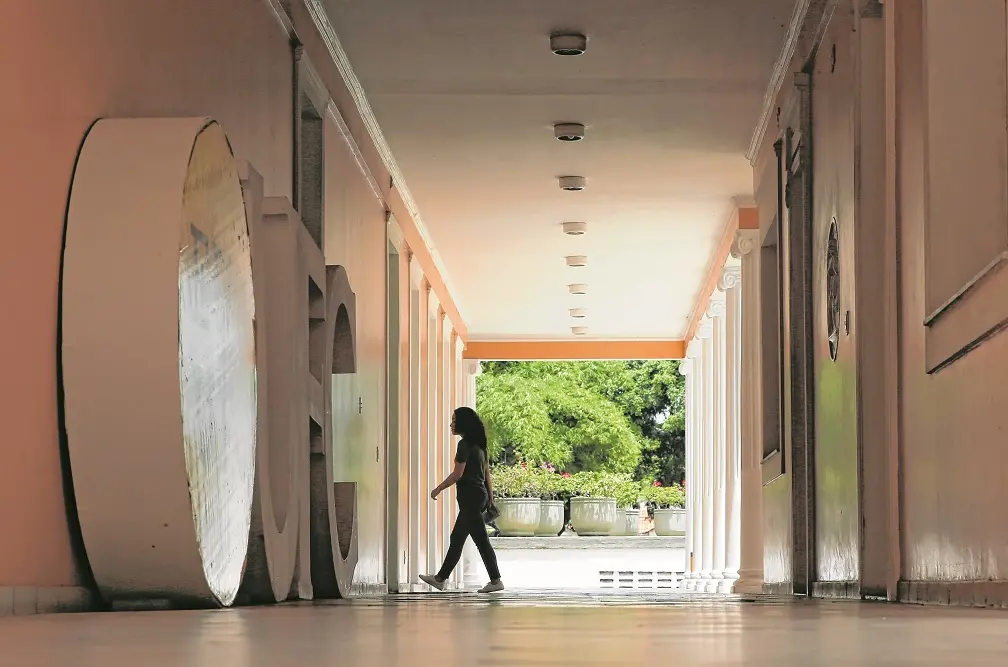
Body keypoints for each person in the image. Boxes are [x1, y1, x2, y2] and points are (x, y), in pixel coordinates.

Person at [420, 406, 504, 593]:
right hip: (479, 496)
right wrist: (490, 498)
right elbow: (487, 474)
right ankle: (440, 579)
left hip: (470, 498)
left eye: (454, 421)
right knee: (458, 538)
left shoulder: (464, 445)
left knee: (480, 540)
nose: (451, 424)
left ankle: (495, 580)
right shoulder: (480, 445)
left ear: (463, 424)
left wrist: (438, 488)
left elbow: (458, 474)